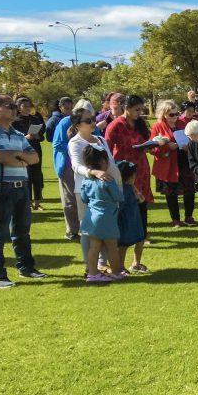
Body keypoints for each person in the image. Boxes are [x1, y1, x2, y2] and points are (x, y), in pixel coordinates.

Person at [0, 94, 47, 288]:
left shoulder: (17, 134)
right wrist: (20, 157)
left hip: (21, 188)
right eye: (9, 106)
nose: (14, 109)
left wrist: (17, 155)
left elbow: (35, 158)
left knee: (22, 231)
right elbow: (1, 157)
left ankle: (26, 267)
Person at [68, 106, 121, 271]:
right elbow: (76, 166)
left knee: (107, 227)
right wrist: (93, 172)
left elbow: (111, 162)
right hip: (88, 191)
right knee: (89, 228)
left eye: (93, 119)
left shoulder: (100, 139)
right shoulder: (75, 142)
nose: (93, 123)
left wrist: (120, 181)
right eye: (88, 120)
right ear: (77, 125)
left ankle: (102, 263)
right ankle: (89, 267)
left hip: (109, 189)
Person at [104, 95, 153, 238]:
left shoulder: (139, 124)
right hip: (124, 170)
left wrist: (149, 145)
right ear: (127, 108)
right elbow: (107, 148)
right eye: (136, 110)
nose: (139, 113)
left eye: (140, 110)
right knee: (126, 201)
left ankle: (143, 235)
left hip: (141, 168)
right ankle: (124, 233)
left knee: (142, 201)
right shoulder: (115, 125)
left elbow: (145, 142)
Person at [78, 146, 124, 284]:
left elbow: (84, 199)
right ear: (104, 162)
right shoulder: (108, 180)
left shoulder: (86, 181)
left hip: (91, 216)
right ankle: (116, 272)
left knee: (94, 246)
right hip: (107, 216)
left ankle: (92, 274)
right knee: (111, 246)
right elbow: (118, 197)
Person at [52, 98, 96, 242]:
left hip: (88, 165)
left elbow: (97, 139)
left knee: (87, 197)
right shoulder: (65, 122)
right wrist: (77, 148)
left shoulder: (91, 123)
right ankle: (72, 230)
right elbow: (57, 144)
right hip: (68, 165)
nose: (89, 120)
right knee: (70, 199)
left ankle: (88, 228)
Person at [150, 100, 196, 228]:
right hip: (167, 164)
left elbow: (194, 140)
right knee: (171, 193)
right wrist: (166, 146)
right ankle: (175, 219)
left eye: (176, 114)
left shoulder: (183, 124)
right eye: (171, 115)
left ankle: (189, 216)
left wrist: (189, 146)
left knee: (189, 190)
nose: (175, 117)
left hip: (184, 162)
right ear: (164, 114)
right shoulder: (157, 127)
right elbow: (152, 148)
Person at [13, 97, 46, 210]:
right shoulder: (15, 121)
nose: (27, 108)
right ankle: (27, 201)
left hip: (35, 149)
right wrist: (26, 137)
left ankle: (38, 201)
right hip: (22, 151)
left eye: (29, 106)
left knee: (37, 175)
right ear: (18, 107)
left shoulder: (35, 119)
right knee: (27, 176)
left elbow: (41, 137)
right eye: (24, 106)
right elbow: (14, 138)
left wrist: (37, 136)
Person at [116, 161, 148, 273]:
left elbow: (142, 199)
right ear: (129, 177)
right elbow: (119, 207)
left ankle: (136, 263)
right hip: (125, 221)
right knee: (123, 244)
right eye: (134, 175)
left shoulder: (131, 188)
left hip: (136, 219)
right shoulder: (122, 191)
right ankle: (120, 266)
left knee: (140, 240)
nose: (135, 177)